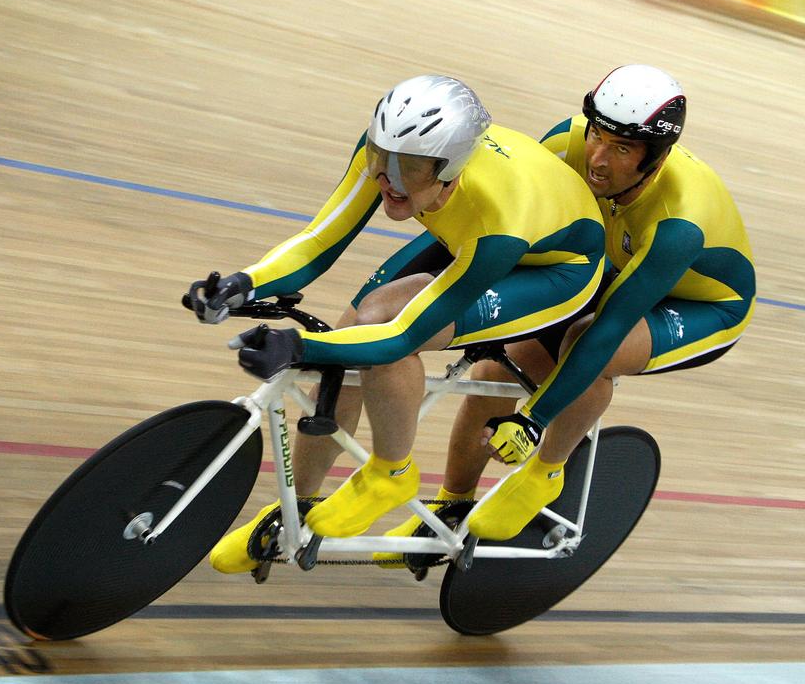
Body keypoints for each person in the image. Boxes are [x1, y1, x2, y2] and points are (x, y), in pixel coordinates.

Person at [190, 74, 606, 573]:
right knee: (350, 332)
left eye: (406, 168)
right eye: (380, 157)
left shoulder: (499, 217)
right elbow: (319, 240)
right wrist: (245, 282)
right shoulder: (394, 156)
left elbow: (402, 336)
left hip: (552, 268)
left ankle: (392, 471)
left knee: (383, 333)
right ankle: (295, 511)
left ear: (448, 171)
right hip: (467, 229)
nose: (387, 178)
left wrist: (299, 348)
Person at [402, 63, 757, 544]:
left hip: (703, 306)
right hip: (619, 269)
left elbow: (610, 326)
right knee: (495, 372)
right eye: (598, 136)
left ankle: (546, 471)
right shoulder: (564, 144)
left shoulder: (678, 223)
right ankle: (451, 504)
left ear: (654, 159)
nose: (598, 158)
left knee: (588, 345)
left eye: (622, 149)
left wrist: (533, 421)